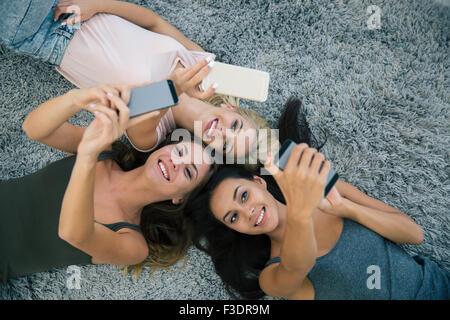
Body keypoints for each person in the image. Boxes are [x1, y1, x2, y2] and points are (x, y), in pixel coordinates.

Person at [183, 99, 450, 300]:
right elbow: (299, 264)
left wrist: (346, 208)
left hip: (437, 287)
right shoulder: (273, 274)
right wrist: (299, 214)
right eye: (233, 217)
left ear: (259, 181)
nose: (248, 212)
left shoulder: (327, 190)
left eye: (243, 196)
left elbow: (414, 234)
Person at [0, 0, 275, 166]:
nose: (223, 132)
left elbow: (139, 103)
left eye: (225, 145)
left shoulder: (152, 137)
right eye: (236, 127)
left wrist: (175, 86)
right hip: (84, 6)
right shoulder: (203, 65)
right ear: (230, 109)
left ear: (209, 149)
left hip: (49, 34)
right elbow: (154, 22)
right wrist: (99, 4)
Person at [0, 82, 215, 285]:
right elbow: (33, 128)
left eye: (188, 171)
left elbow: (72, 233)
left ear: (180, 198)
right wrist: (75, 99)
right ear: (162, 148)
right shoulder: (104, 149)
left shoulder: (133, 244)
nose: (175, 162)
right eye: (179, 151)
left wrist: (87, 156)